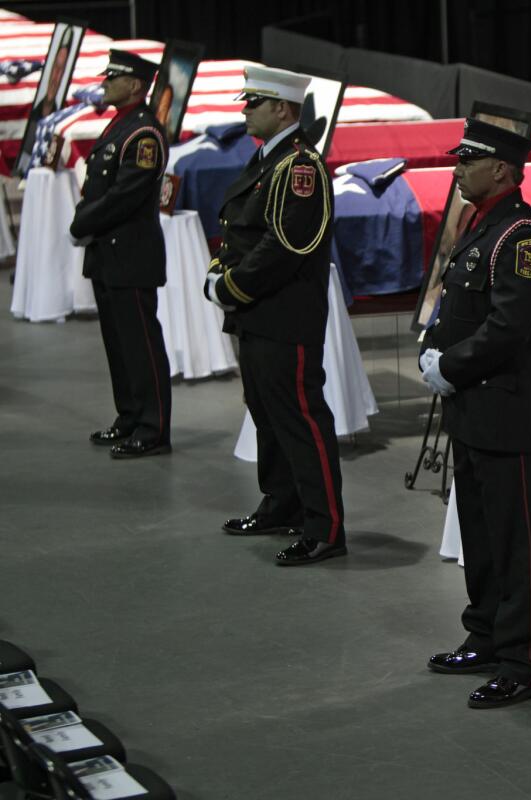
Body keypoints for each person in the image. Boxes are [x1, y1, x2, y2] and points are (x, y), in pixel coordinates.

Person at [420, 118, 531, 709]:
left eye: (466, 161)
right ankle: (484, 633)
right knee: (480, 531)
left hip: (505, 411)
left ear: (500, 168)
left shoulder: (520, 236)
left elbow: (509, 326)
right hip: (475, 408)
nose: (457, 170)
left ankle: (523, 659)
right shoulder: (486, 227)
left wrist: (450, 365)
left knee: (516, 541)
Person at [203, 65, 346, 567]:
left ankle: (324, 526)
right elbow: (238, 228)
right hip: (257, 314)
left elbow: (285, 245)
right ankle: (281, 501)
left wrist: (230, 285)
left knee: (300, 419)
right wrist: (221, 270)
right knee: (266, 412)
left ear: (282, 109)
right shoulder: (269, 160)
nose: (245, 111)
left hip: (284, 317)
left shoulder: (300, 168)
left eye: (253, 102)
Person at [70, 50, 172, 459]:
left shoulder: (144, 133)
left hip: (130, 253)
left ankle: (154, 427)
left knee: (140, 345)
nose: (105, 83)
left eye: (114, 78)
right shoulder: (121, 124)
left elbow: (125, 196)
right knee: (117, 343)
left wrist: (83, 223)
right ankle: (129, 415)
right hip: (109, 253)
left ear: (134, 85)